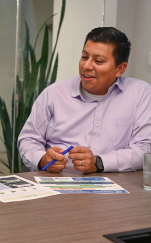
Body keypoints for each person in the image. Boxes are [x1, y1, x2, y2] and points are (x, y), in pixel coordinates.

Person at [18, 27, 151, 173]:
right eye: (84, 57)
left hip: (113, 183)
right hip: (57, 180)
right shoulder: (54, 93)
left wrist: (98, 163)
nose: (86, 66)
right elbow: (28, 139)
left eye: (98, 61)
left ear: (120, 68)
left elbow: (145, 148)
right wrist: (42, 158)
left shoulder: (140, 94)